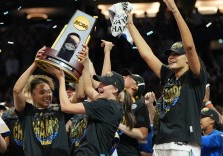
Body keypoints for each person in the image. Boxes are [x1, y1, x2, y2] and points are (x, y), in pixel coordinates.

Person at [125, 0, 208, 155]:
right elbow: (146, 54)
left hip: (183, 144)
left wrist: (175, 10)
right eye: (169, 54)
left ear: (188, 59)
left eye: (177, 54)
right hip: (160, 143)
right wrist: (130, 24)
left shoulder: (195, 76)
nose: (171, 57)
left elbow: (189, 47)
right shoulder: (168, 75)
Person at [48, 44, 129, 156]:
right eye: (100, 82)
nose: (99, 85)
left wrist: (61, 79)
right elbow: (88, 88)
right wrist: (85, 62)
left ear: (115, 89)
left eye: (104, 84)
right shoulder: (112, 105)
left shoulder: (105, 105)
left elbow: (66, 107)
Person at [13, 46, 72, 156]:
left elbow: (81, 94)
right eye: (42, 92)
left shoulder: (60, 109)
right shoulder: (27, 112)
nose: (47, 95)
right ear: (33, 95)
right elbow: (17, 90)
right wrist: (35, 64)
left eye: (49, 91)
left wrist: (61, 78)